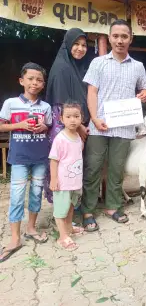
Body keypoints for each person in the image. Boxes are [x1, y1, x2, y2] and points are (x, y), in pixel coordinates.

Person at [82, 19, 146, 231]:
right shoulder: (98, 63)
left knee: (116, 170)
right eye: (116, 36)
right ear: (109, 38)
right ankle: (88, 210)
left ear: (131, 39)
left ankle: (112, 206)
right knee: (92, 169)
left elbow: (144, 90)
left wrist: (145, 94)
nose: (120, 40)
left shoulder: (138, 66)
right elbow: (91, 92)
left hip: (124, 127)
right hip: (99, 125)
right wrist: (94, 117)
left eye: (124, 36)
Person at [0, 62, 52, 263]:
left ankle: (31, 228)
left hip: (40, 157)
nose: (35, 83)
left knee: (36, 193)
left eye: (39, 80)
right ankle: (15, 238)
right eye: (30, 79)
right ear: (21, 81)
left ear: (43, 84)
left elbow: (48, 127)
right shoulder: (11, 103)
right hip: (19, 158)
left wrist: (43, 128)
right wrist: (19, 125)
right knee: (17, 196)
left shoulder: (45, 107)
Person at [45, 28, 90, 203]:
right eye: (76, 44)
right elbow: (59, 107)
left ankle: (72, 209)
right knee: (64, 167)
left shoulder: (79, 69)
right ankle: (61, 211)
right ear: (67, 45)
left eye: (84, 45)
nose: (80, 48)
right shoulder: (61, 68)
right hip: (65, 131)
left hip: (79, 129)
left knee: (74, 168)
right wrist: (78, 126)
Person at [49, 101, 85, 251]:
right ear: (61, 119)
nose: (72, 120)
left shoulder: (78, 137)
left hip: (75, 182)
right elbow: (54, 160)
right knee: (60, 209)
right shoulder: (60, 139)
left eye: (76, 116)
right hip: (63, 183)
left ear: (81, 118)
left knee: (71, 206)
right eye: (68, 116)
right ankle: (62, 236)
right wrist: (54, 179)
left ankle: (69, 228)